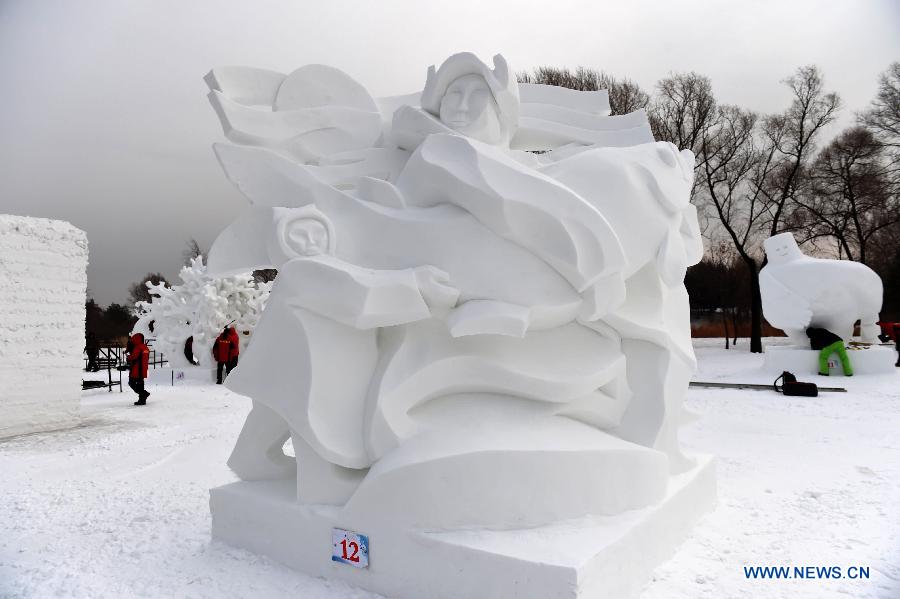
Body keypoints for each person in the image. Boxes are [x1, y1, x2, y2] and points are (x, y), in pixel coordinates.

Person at [126, 333, 150, 405]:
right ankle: (142, 400)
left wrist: (128, 357)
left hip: (136, 369)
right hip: (143, 369)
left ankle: (144, 394)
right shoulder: (145, 347)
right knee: (140, 384)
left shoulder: (138, 347)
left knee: (131, 383)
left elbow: (133, 357)